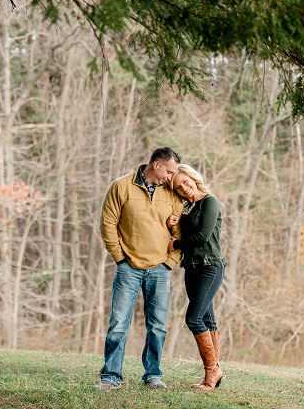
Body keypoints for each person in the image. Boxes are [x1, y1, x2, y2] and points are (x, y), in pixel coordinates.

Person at [94, 147, 184, 391]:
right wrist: (120, 258)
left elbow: (179, 232)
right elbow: (107, 224)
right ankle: (111, 377)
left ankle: (152, 374)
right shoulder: (121, 187)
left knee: (157, 326)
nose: (171, 176)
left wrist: (170, 262)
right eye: (170, 171)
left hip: (160, 269)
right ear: (156, 164)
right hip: (128, 268)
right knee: (118, 324)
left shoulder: (172, 194)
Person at [166, 164, 226, 391]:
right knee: (208, 319)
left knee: (193, 318)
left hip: (210, 267)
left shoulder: (210, 201)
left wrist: (176, 244)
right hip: (191, 267)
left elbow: (202, 236)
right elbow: (188, 230)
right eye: (178, 187)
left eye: (185, 182)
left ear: (193, 178)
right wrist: (175, 223)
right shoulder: (188, 207)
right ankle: (212, 374)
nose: (183, 188)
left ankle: (212, 371)